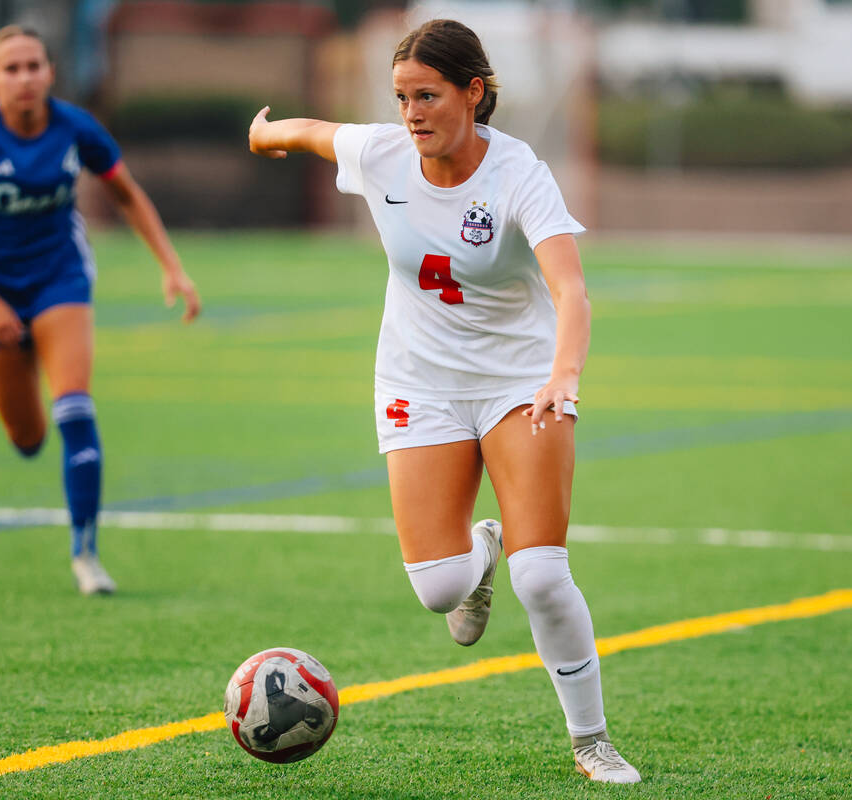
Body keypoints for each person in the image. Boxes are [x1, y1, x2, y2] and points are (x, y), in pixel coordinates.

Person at [248, 18, 640, 784]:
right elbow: (317, 132)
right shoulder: (386, 153)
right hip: (417, 384)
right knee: (439, 590)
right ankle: (480, 546)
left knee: (543, 577)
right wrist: (269, 135)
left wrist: (564, 376)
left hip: (520, 385)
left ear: (474, 92)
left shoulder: (519, 172)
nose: (411, 114)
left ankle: (591, 740)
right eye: (400, 97)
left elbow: (571, 289)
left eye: (427, 95)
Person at [0, 25, 200, 595]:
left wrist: (172, 266)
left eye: (34, 66)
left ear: (50, 73)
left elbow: (126, 191)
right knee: (27, 438)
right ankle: (22, 371)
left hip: (58, 280)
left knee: (75, 408)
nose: (25, 78)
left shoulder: (75, 127)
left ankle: (86, 554)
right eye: (12, 68)